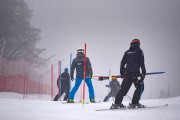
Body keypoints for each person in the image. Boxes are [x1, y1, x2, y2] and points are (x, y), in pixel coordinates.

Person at [111, 39, 146, 109]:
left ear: (131, 44)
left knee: (123, 90)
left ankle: (117, 103)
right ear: (139, 44)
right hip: (136, 75)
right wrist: (143, 74)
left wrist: (122, 73)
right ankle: (134, 103)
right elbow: (142, 64)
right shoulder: (140, 52)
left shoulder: (127, 52)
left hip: (127, 74)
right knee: (140, 87)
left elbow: (122, 62)